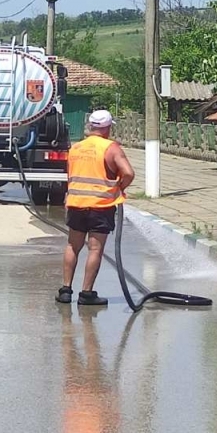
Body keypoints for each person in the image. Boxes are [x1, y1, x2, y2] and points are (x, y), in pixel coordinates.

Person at [57, 109, 135, 306]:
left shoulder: (76, 148)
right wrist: (119, 188)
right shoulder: (111, 148)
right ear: (107, 128)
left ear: (90, 126)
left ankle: (65, 291)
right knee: (95, 249)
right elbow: (128, 173)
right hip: (101, 206)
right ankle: (86, 294)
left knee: (72, 246)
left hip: (76, 204)